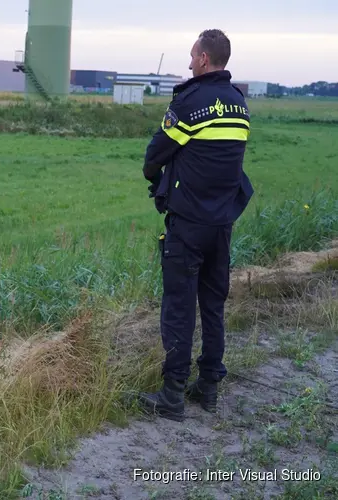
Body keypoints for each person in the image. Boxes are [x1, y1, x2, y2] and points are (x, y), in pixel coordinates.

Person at [137, 29, 255, 422]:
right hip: (223, 224)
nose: (188, 64)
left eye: (191, 57)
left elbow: (157, 151)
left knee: (178, 308)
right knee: (213, 305)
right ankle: (208, 388)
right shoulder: (239, 103)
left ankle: (171, 395)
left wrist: (152, 173)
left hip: (188, 223)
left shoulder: (190, 102)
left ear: (204, 58)